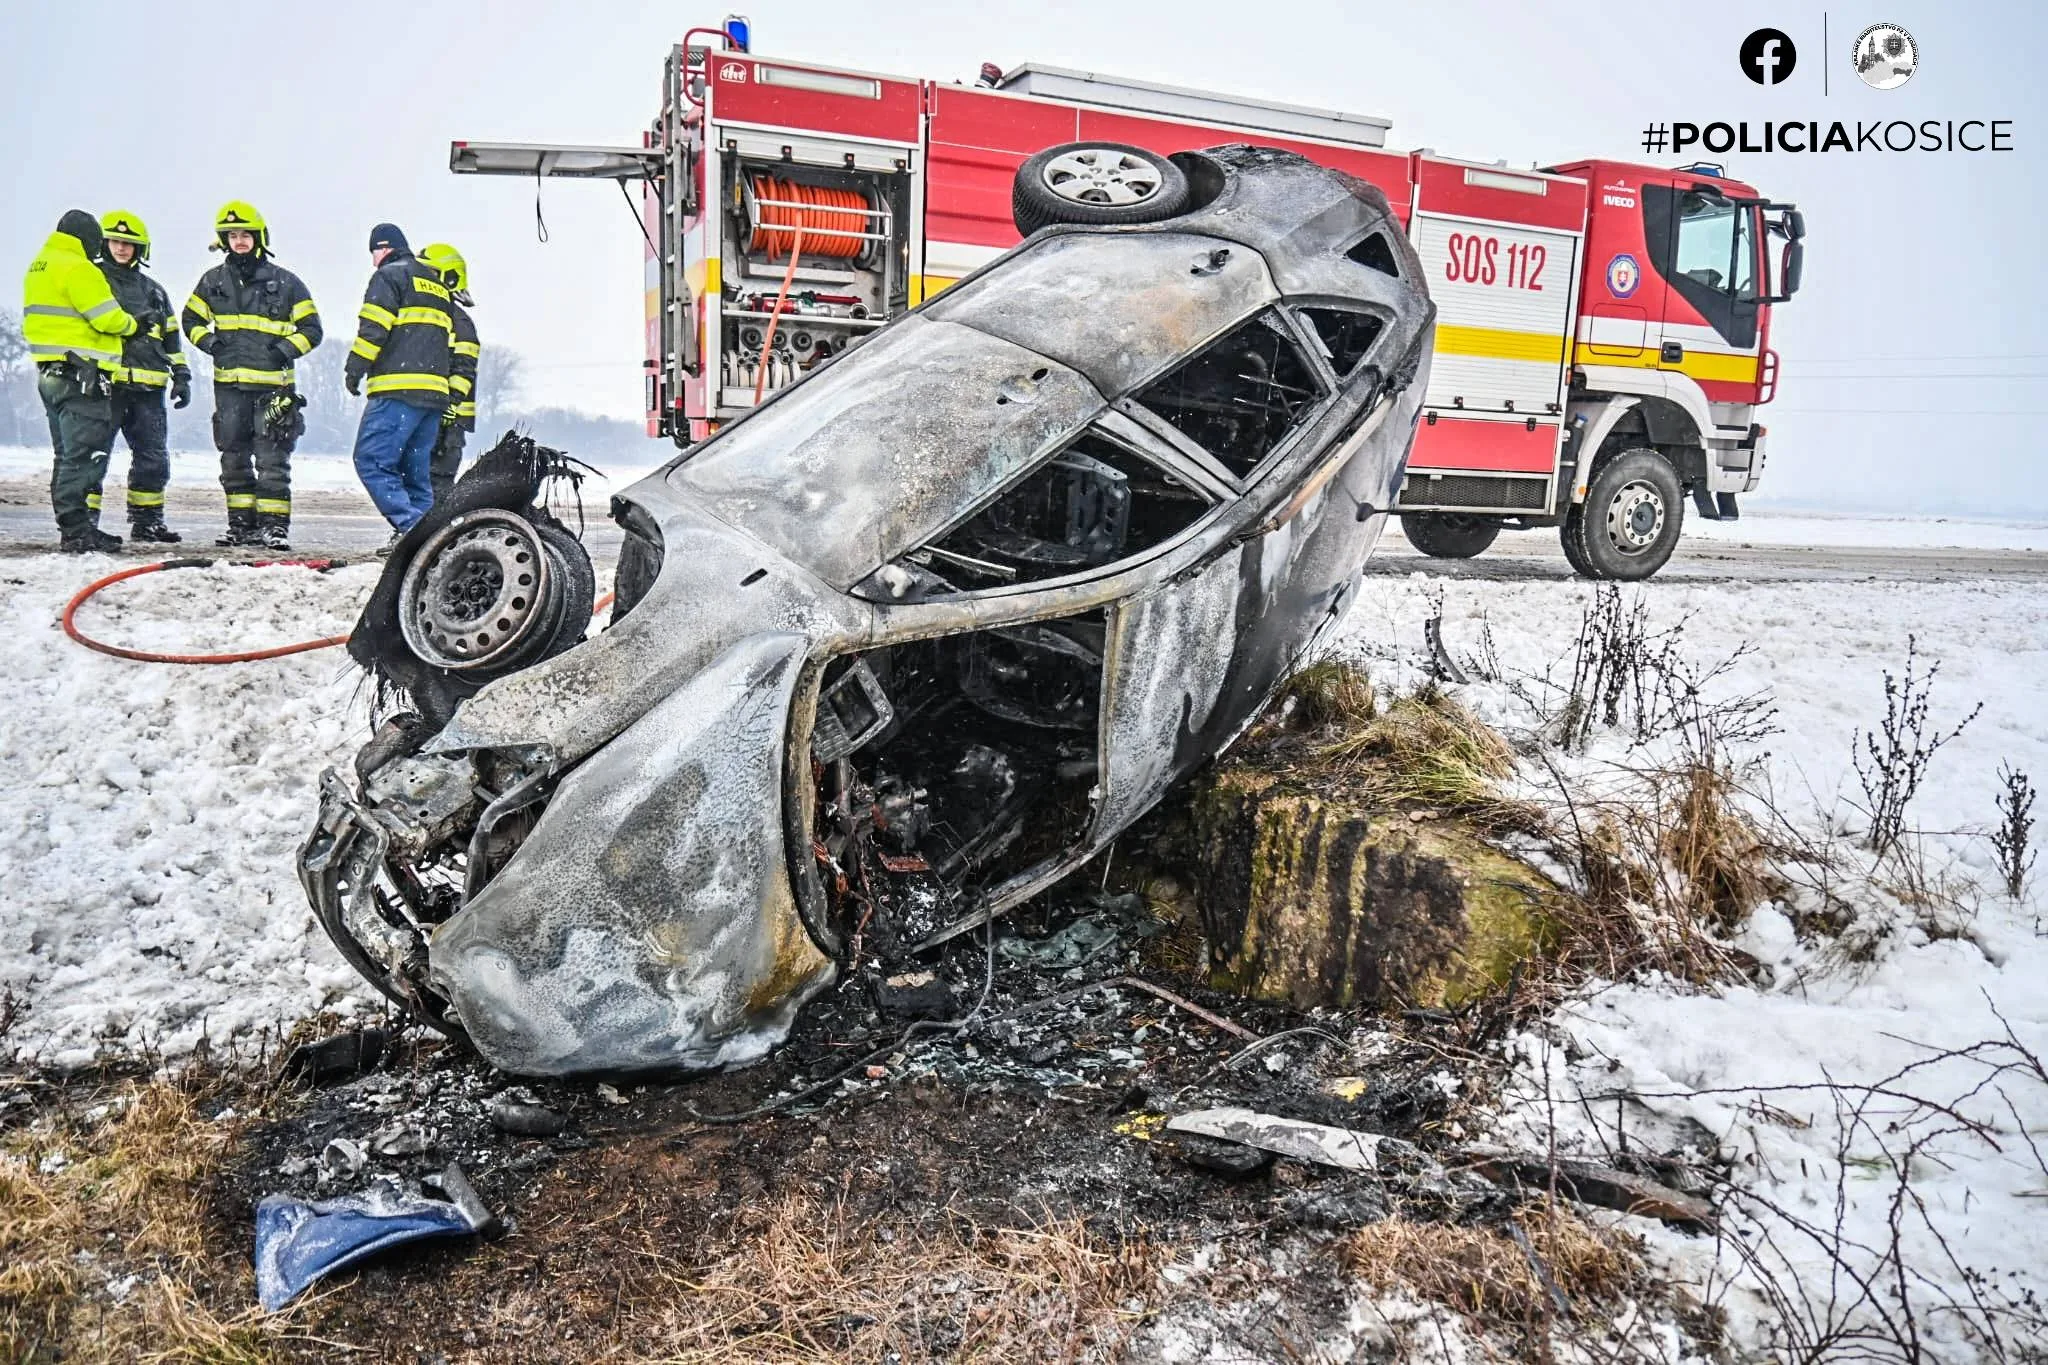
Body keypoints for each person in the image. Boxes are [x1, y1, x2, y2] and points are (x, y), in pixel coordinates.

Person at [181, 201, 322, 551]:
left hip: (274, 391)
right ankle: (241, 527)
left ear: (259, 238)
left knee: (273, 460)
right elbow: (190, 320)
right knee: (233, 458)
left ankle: (274, 528)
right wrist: (210, 343)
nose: (239, 241)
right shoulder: (212, 282)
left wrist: (284, 350)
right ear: (223, 240)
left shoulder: (287, 283)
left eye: (245, 234)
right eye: (232, 235)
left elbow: (312, 330)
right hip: (229, 389)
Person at [21, 209, 141, 552]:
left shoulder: (40, 264)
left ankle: (73, 527)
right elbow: (106, 317)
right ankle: (77, 531)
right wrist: (134, 325)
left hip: (51, 375)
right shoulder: (78, 267)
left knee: (65, 455)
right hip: (80, 377)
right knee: (84, 456)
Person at [345, 224, 454, 533]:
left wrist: (354, 369)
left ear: (383, 249)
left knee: (371, 461)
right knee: (415, 474)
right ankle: (432, 537)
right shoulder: (435, 284)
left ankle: (411, 529)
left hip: (398, 390)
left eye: (374, 252)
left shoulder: (388, 276)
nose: (373, 260)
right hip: (433, 395)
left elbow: (373, 329)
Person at [95, 210, 191, 543]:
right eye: (116, 241)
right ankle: (85, 523)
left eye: (129, 243)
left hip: (149, 390)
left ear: (141, 248)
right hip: (106, 387)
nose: (121, 248)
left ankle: (147, 522)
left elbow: (171, 338)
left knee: (153, 460)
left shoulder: (155, 291)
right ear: (104, 243)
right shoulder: (94, 282)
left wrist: (181, 374)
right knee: (94, 457)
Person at [417, 242, 478, 505]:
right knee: (417, 480)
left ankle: (431, 539)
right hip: (428, 415)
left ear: (449, 278)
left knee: (437, 484)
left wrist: (450, 404)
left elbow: (465, 368)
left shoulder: (459, 322)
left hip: (449, 425)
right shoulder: (428, 316)